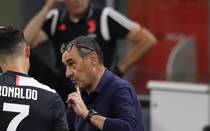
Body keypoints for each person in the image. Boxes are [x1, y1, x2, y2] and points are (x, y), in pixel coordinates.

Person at [24, 0, 156, 101]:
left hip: (94, 86)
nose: (78, 0)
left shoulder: (105, 16)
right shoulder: (56, 17)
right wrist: (48, 6)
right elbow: (26, 42)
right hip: (63, 83)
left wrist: (118, 70)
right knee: (28, 55)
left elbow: (147, 40)